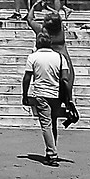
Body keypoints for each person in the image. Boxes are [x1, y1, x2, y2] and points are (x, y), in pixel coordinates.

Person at [21, 31, 66, 163]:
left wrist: (25, 94)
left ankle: (52, 154)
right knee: (53, 123)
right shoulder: (60, 57)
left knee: (46, 124)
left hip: (41, 93)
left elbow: (27, 77)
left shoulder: (33, 57)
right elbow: (65, 78)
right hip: (56, 94)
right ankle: (52, 149)